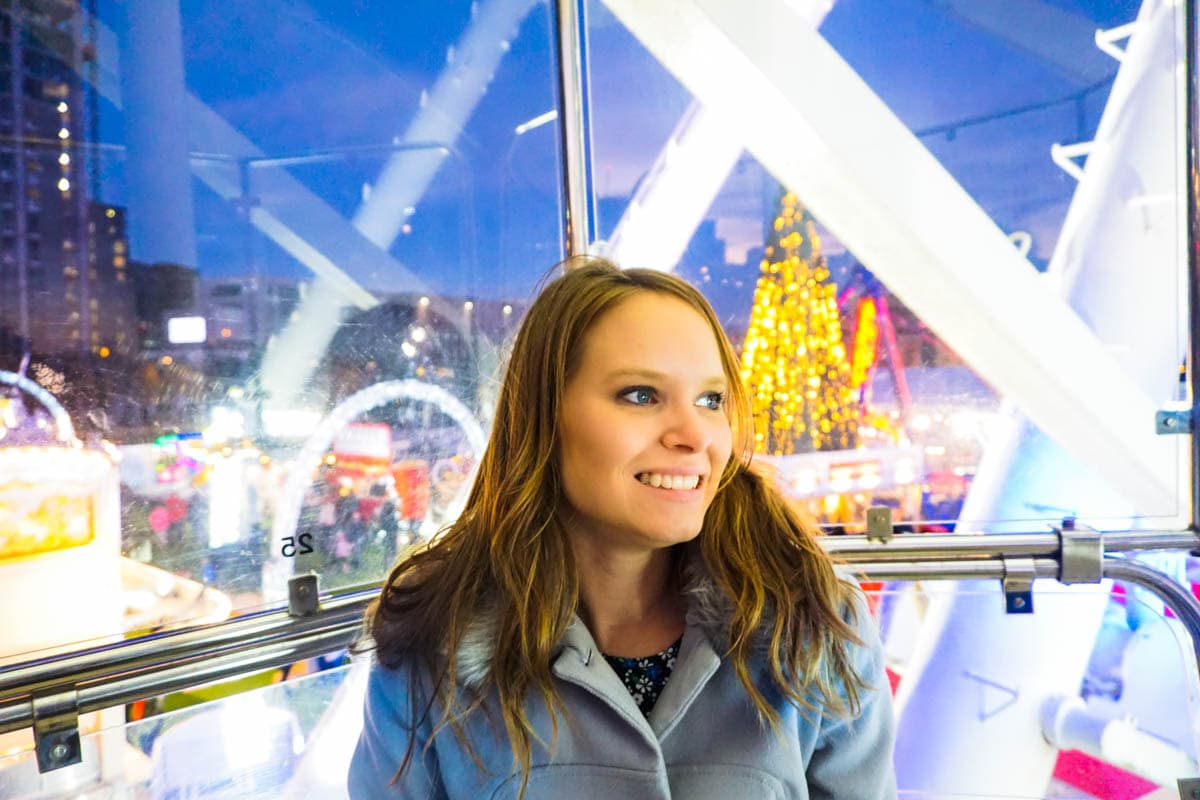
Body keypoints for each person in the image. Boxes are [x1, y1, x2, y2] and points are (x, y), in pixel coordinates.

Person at [348, 257, 896, 799]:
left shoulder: (814, 622)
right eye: (641, 395)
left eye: (711, 400)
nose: (694, 434)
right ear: (545, 418)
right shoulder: (430, 644)